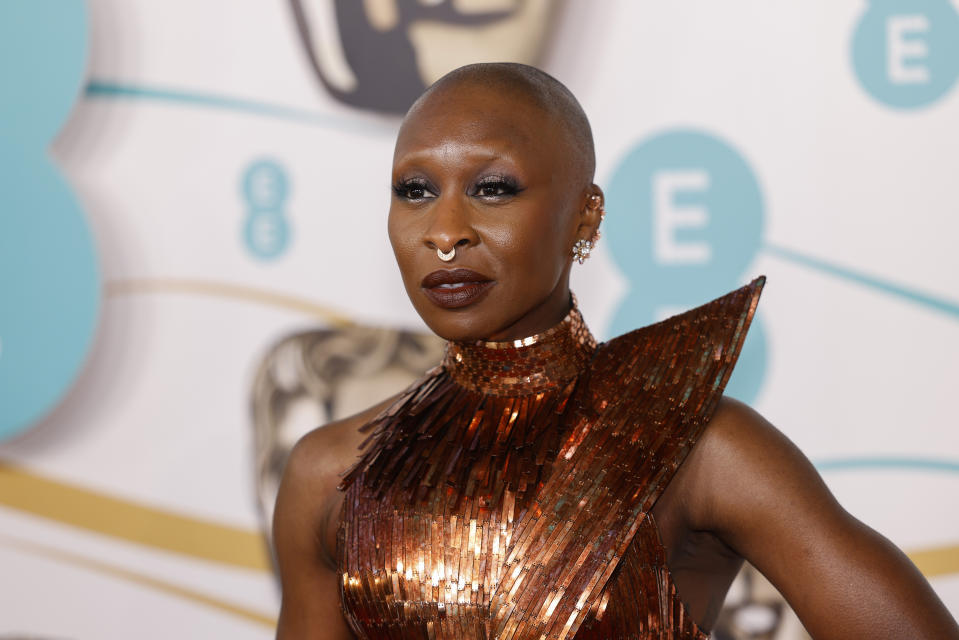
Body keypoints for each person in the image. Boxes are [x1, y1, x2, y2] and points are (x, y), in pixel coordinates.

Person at [272, 62, 959, 639]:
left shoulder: (697, 449)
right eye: (415, 191)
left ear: (586, 215)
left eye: (493, 189)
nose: (445, 231)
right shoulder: (329, 473)